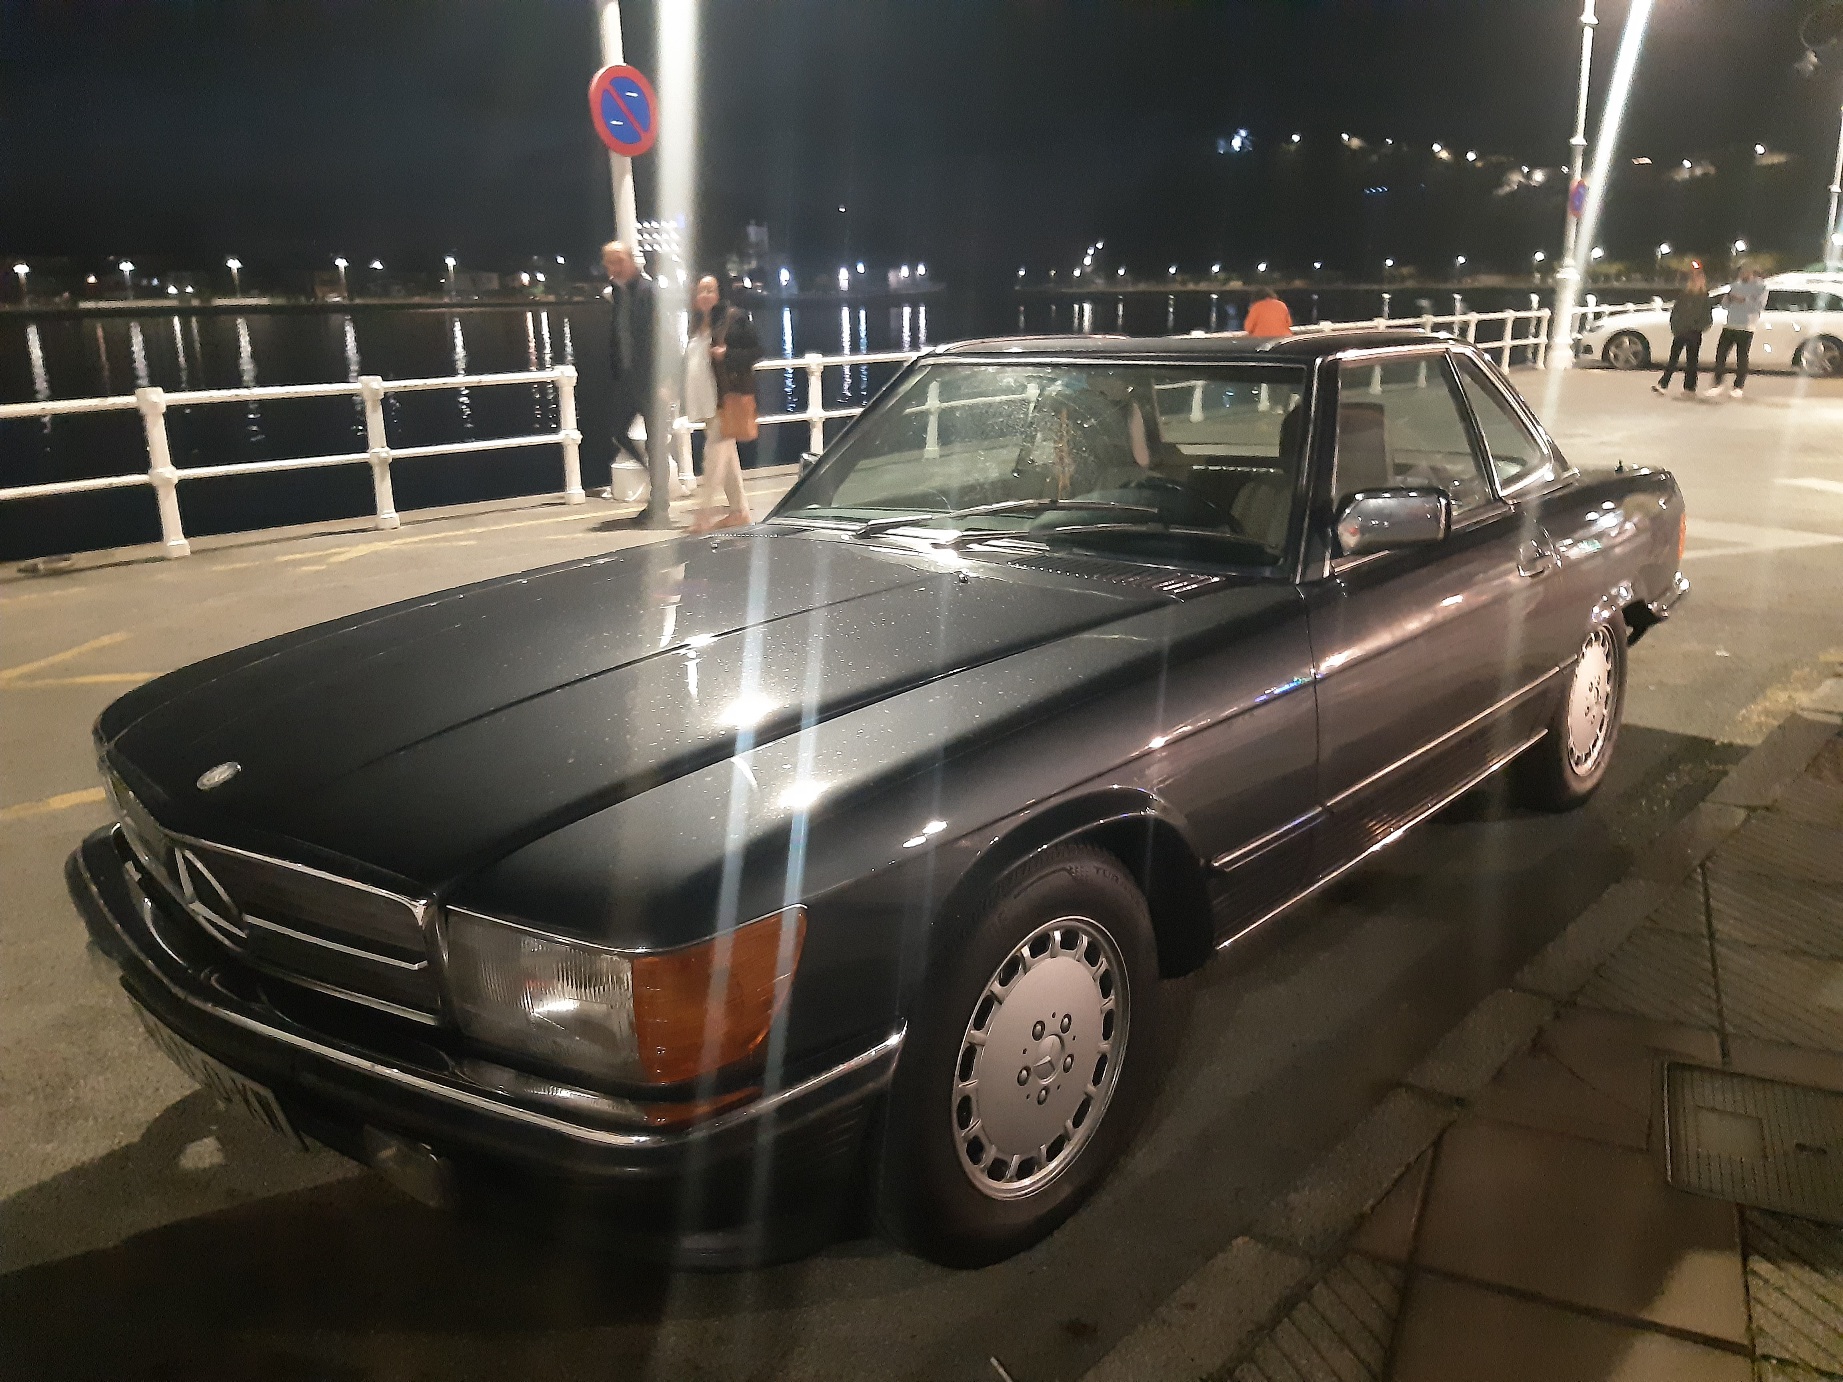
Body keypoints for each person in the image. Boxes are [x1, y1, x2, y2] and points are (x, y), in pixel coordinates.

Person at [686, 274, 762, 533]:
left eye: (710, 290)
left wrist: (727, 354)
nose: (705, 295)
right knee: (727, 460)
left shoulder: (733, 318)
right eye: (701, 290)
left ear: (719, 293)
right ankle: (739, 512)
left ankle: (703, 515)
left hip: (725, 399)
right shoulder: (697, 323)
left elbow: (756, 351)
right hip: (705, 401)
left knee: (713, 458)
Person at [600, 240, 668, 496]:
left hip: (652, 380)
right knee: (618, 432)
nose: (614, 267)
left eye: (619, 261)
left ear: (631, 260)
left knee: (656, 444)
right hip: (627, 380)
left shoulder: (649, 292)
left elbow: (666, 336)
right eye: (609, 263)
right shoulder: (618, 294)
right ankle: (651, 475)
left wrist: (668, 380)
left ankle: (659, 500)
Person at [1705, 265, 1764, 400]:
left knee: (1741, 357)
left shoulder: (1760, 287)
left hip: (1746, 327)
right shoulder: (1736, 285)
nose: (1742, 275)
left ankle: (1738, 387)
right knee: (1721, 354)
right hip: (1730, 324)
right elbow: (1725, 305)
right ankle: (1718, 383)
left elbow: (1758, 306)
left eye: (1745, 272)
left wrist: (1742, 300)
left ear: (1751, 273)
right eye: (1741, 272)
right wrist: (1729, 298)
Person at [1653, 266, 1713, 398]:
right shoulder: (1684, 296)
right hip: (1681, 331)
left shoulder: (1705, 298)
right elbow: (1675, 313)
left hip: (1694, 333)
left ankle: (1689, 388)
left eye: (1698, 279)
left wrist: (1697, 327)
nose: (1696, 282)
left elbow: (1707, 318)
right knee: (1673, 360)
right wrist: (1675, 327)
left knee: (1691, 361)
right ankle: (1663, 384)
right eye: (1694, 279)